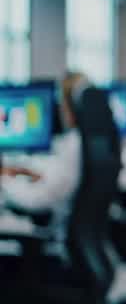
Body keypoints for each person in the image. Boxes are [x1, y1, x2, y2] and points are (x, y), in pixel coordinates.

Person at [1, 72, 87, 229]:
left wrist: (4, 181)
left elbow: (38, 200)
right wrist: (30, 173)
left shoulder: (74, 145)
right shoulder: (83, 140)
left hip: (53, 226)